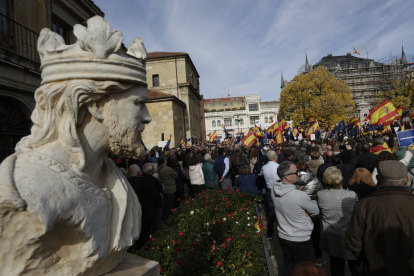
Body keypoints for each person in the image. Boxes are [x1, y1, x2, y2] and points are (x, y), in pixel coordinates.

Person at [346, 160, 414, 276]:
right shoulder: (364, 205)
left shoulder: (364, 205)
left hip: (374, 268)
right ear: (407, 180)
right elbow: (353, 240)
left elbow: (352, 240)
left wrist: (369, 257)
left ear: (377, 178)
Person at [272, 161, 320, 275]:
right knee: (303, 270)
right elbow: (316, 211)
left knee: (288, 267)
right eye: (296, 172)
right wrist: (303, 205)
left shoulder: (274, 190)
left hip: (283, 236)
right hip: (300, 238)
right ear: (287, 177)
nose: (299, 174)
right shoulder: (300, 196)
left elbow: (287, 201)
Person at [318, 167, 358, 276]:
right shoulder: (351, 195)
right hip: (349, 235)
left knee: (336, 265)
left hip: (331, 235)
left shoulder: (321, 195)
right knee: (354, 265)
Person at [295, 160, 325, 267]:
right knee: (316, 236)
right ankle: (318, 257)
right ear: (307, 169)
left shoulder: (292, 181)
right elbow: (321, 194)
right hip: (314, 213)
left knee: (302, 236)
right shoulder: (316, 180)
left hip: (299, 213)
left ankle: (303, 259)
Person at [128, 165, 160, 249]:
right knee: (145, 233)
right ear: (138, 172)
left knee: (137, 232)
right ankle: (145, 249)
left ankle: (138, 249)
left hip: (134, 212)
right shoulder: (143, 182)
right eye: (140, 170)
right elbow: (154, 193)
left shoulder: (128, 181)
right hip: (145, 211)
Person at [262, 150, 280, 240]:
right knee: (280, 211)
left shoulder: (264, 167)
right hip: (279, 189)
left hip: (269, 190)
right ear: (274, 157)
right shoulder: (278, 166)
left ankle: (269, 232)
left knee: (271, 212)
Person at [157, 156, 178, 221]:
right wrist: (172, 178)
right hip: (170, 188)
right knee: (170, 204)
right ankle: (169, 217)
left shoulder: (159, 169)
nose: (167, 160)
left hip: (164, 188)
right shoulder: (168, 169)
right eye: (165, 159)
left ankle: (164, 216)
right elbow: (176, 175)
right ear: (164, 161)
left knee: (165, 203)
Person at [142, 163, 163, 227]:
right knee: (157, 221)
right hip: (155, 204)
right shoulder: (153, 180)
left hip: (146, 205)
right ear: (150, 171)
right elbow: (160, 189)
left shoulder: (142, 179)